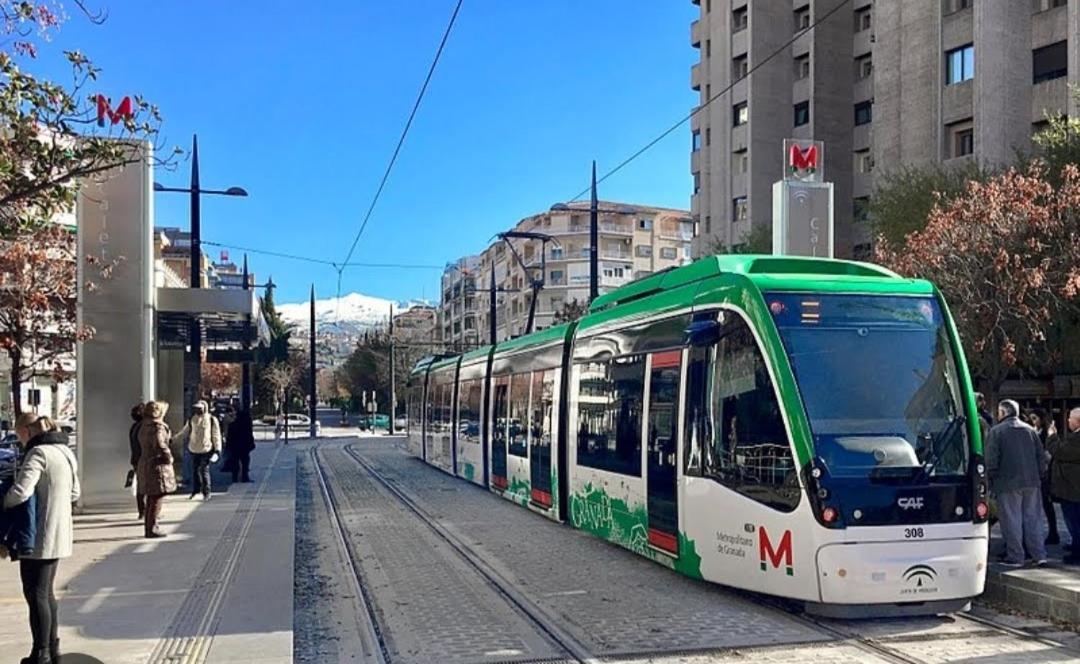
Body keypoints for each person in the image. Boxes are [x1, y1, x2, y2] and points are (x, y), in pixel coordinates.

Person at [3, 413, 80, 664]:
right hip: (60, 532)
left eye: (19, 434)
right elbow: (74, 493)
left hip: (38, 535)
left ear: (27, 431)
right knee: (46, 593)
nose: (19, 439)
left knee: (35, 593)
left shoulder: (37, 454)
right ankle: (52, 648)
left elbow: (21, 492)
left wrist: (4, 502)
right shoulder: (64, 451)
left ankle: (41, 653)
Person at [986, 399, 1048, 567]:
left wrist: (990, 480)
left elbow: (991, 461)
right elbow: (1040, 456)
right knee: (1033, 519)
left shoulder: (996, 431)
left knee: (1011, 520)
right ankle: (1039, 554)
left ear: (1003, 413)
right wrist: (1040, 475)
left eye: (998, 412)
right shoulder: (1030, 430)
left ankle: (1016, 556)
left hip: (1007, 482)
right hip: (1032, 481)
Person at [139, 401, 177, 539]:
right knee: (156, 497)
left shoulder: (144, 426)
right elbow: (160, 444)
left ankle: (149, 526)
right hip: (157, 465)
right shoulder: (157, 427)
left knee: (151, 498)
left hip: (146, 463)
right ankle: (152, 528)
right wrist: (168, 456)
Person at [1048, 407, 1080, 565]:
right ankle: (1075, 544)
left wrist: (1052, 436)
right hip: (1072, 487)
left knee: (1074, 521)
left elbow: (1060, 451)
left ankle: (1077, 552)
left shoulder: (1077, 439)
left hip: (1073, 488)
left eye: (1070, 418)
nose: (1067, 421)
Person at [174, 400, 221, 501]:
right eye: (196, 408)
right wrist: (174, 439)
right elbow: (185, 432)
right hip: (194, 449)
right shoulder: (192, 419)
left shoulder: (211, 419)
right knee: (195, 471)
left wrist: (217, 450)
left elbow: (216, 435)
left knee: (204, 471)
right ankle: (196, 490)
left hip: (206, 449)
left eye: (200, 408)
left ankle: (206, 492)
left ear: (205, 408)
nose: (198, 410)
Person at [1028, 408, 1060, 546]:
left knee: (1047, 504)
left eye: (1035, 418)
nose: (1033, 421)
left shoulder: (1047, 433)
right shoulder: (1033, 431)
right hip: (1035, 469)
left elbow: (1048, 453)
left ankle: (1053, 532)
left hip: (1045, 471)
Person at [225, 409, 256, 483]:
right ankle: (244, 477)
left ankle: (235, 477)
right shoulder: (246, 427)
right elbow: (249, 437)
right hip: (244, 448)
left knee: (235, 462)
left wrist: (228, 446)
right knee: (245, 462)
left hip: (235, 448)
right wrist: (251, 445)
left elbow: (229, 438)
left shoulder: (232, 425)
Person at [128, 402, 146, 520]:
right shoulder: (143, 428)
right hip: (144, 459)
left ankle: (142, 511)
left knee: (141, 485)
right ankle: (145, 511)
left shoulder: (134, 427)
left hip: (136, 459)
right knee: (147, 486)